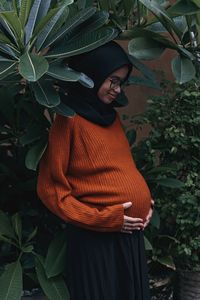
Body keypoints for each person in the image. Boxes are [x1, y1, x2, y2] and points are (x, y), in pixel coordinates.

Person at [37, 41, 154, 300]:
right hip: (96, 240)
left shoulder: (111, 119)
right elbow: (52, 190)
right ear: (94, 74)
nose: (117, 89)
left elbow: (121, 170)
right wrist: (103, 219)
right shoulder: (68, 119)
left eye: (121, 82)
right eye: (112, 80)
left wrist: (146, 204)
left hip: (128, 237)